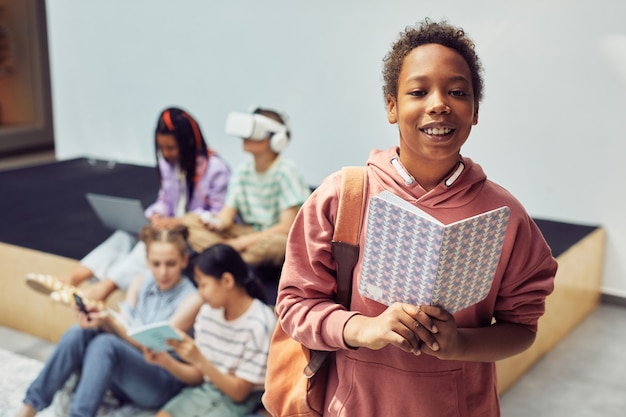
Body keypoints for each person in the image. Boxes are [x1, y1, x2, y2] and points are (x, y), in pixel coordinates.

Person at [273, 19, 558, 416]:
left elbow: (522, 329)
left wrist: (460, 345)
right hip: (358, 405)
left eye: (457, 92)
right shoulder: (343, 197)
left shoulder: (505, 217)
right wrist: (364, 329)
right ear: (392, 106)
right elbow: (294, 305)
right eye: (419, 91)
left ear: (475, 110)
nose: (439, 103)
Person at [26, 106, 231, 302]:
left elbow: (219, 216)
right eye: (162, 148)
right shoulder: (167, 165)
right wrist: (156, 215)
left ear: (187, 143)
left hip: (195, 236)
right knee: (124, 236)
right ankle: (72, 279)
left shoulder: (215, 168)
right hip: (170, 229)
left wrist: (179, 222)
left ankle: (102, 289)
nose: (166, 153)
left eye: (171, 147)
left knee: (150, 246)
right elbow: (164, 200)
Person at [15, 225, 203, 417]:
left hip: (161, 379)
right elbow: (126, 323)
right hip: (128, 370)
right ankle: (29, 408)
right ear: (147, 261)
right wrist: (101, 320)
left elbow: (152, 346)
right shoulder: (140, 282)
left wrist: (110, 324)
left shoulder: (192, 299)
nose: (163, 272)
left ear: (184, 260)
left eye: (170, 264)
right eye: (156, 264)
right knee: (81, 331)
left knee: (106, 344)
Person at [145, 243, 276, 417]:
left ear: (227, 281)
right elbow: (200, 376)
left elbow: (239, 393)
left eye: (203, 284)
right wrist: (165, 360)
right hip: (208, 390)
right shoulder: (208, 312)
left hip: (244, 400)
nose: (200, 293)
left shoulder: (260, 323)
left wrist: (200, 359)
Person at [182, 107, 311, 269]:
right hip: (248, 233)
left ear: (276, 139)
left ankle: (224, 257)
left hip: (273, 236)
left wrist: (242, 243)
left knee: (280, 244)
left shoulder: (286, 171)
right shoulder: (243, 171)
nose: (246, 136)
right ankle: (231, 257)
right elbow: (226, 217)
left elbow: (286, 227)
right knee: (189, 222)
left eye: (255, 132)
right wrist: (214, 223)